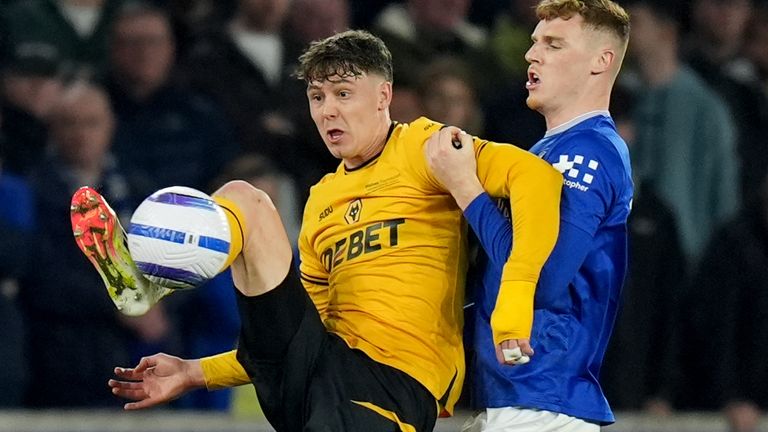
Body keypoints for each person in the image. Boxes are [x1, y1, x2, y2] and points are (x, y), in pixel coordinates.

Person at [71, 30, 563, 431]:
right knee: (244, 197)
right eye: (316, 97)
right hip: (312, 371)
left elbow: (536, 177)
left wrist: (516, 295)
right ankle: (153, 279)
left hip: (392, 387)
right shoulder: (323, 198)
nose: (328, 110)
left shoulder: (427, 147)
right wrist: (193, 371)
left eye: (343, 94)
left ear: (384, 96)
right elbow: (296, 327)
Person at [427, 0, 633, 430]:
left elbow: (544, 276)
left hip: (544, 396)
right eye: (535, 42)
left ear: (601, 61)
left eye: (553, 45)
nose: (531, 54)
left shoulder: (588, 152)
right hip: (519, 393)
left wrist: (467, 188)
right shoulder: (547, 151)